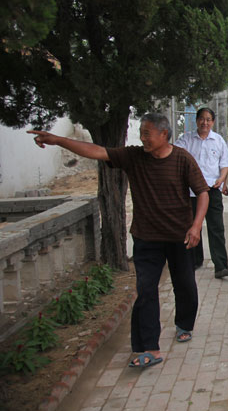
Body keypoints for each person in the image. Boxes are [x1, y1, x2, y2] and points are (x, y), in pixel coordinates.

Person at [28, 113, 209, 369]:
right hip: (147, 237)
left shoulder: (182, 159)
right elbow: (96, 151)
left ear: (164, 135)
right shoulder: (133, 156)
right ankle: (148, 347)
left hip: (179, 236)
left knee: (186, 285)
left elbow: (202, 192)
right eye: (142, 133)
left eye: (148, 133)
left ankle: (184, 324)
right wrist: (58, 140)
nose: (143, 138)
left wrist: (196, 225)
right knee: (146, 291)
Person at [174, 108, 228, 279]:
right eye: (201, 119)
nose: (204, 123)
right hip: (191, 192)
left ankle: (221, 266)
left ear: (213, 122)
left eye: (208, 119)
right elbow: (175, 159)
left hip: (211, 190)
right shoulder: (185, 140)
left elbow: (225, 163)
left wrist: (222, 179)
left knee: (216, 228)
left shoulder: (218, 140)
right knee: (192, 227)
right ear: (196, 121)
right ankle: (194, 261)